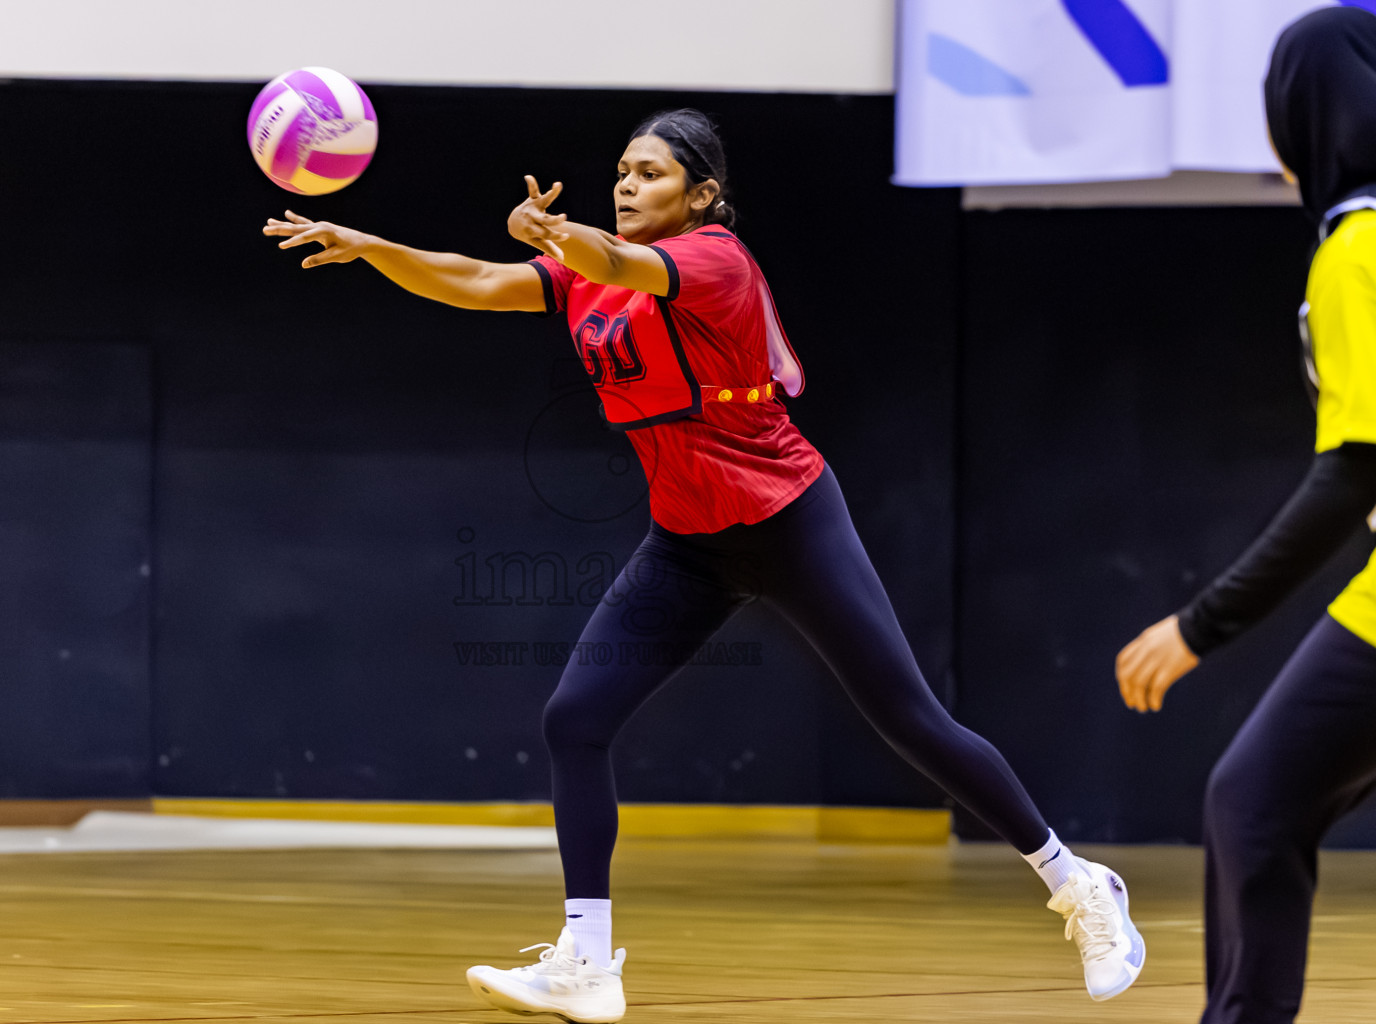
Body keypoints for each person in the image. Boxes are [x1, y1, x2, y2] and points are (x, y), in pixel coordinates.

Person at [266, 108, 1142, 1023]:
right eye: (621, 170)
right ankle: (587, 964)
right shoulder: (588, 275)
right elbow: (481, 280)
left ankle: (1079, 885)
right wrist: (372, 244)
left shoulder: (714, 260)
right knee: (575, 720)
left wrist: (562, 234)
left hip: (788, 519)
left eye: (650, 173)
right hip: (687, 543)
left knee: (909, 721)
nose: (628, 183)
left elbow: (612, 260)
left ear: (703, 195)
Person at [1115, 9, 1376, 1023]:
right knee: (1273, 799)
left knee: (1255, 800)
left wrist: (1199, 625)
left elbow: (1354, 473)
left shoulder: (1358, 243)